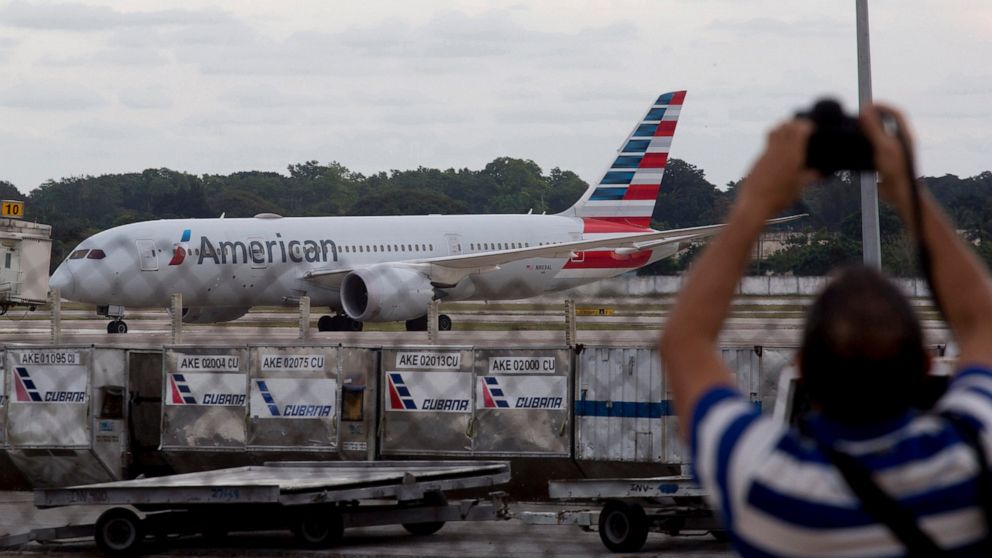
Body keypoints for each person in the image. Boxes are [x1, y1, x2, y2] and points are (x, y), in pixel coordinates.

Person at [659, 104, 992, 556]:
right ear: (928, 365)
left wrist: (755, 202)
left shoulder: (767, 489)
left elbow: (683, 340)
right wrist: (906, 188)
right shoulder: (971, 459)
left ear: (801, 372)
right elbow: (982, 320)